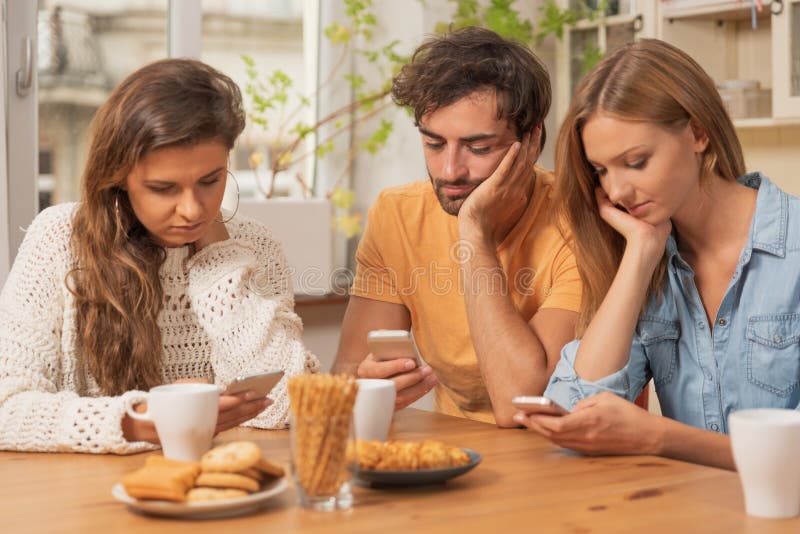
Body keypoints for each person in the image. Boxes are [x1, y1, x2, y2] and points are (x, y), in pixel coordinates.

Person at [0, 58, 319, 454]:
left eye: (210, 180)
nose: (192, 209)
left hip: (217, 494)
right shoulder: (59, 239)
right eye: (163, 188)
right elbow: (6, 408)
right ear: (119, 178)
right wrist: (141, 421)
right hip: (86, 500)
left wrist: (219, 264)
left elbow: (287, 405)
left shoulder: (256, 247)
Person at [514, 38, 800, 470]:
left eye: (636, 161)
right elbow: (574, 411)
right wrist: (640, 257)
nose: (617, 191)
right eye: (601, 171)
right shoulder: (650, 263)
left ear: (698, 133)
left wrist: (658, 437)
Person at [332, 27, 582, 426]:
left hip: (552, 457)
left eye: (479, 148)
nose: (450, 171)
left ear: (532, 141)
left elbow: (523, 403)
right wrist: (364, 385)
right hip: (456, 451)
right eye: (433, 144)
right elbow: (343, 375)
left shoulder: (578, 223)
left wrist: (475, 233)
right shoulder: (397, 214)